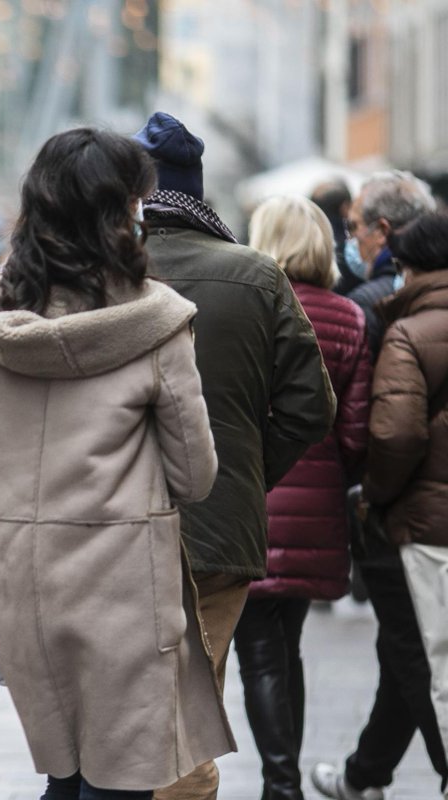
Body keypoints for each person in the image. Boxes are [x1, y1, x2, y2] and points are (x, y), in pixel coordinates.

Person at [0, 127, 230, 799]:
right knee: (118, 781)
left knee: (65, 776)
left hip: (13, 581)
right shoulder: (159, 323)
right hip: (123, 583)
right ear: (123, 213)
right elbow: (196, 476)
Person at [134, 111, 336, 800]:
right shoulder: (254, 275)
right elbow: (313, 405)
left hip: (105, 525)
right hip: (219, 527)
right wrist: (245, 470)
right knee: (191, 701)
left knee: (118, 709)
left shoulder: (99, 274)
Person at [233, 196, 373, 800]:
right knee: (285, 649)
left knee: (260, 653)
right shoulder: (348, 316)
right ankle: (281, 780)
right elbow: (357, 431)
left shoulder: (250, 308)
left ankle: (281, 784)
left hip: (251, 501)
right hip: (317, 510)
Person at [312, 213, 448, 800]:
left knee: (421, 653)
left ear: (410, 268)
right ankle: (364, 774)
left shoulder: (408, 331)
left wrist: (375, 496)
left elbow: (392, 436)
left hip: (420, 524)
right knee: (407, 649)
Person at [343, 171, 436, 359]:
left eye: (353, 227)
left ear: (382, 231)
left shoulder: (366, 303)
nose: (350, 239)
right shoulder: (436, 285)